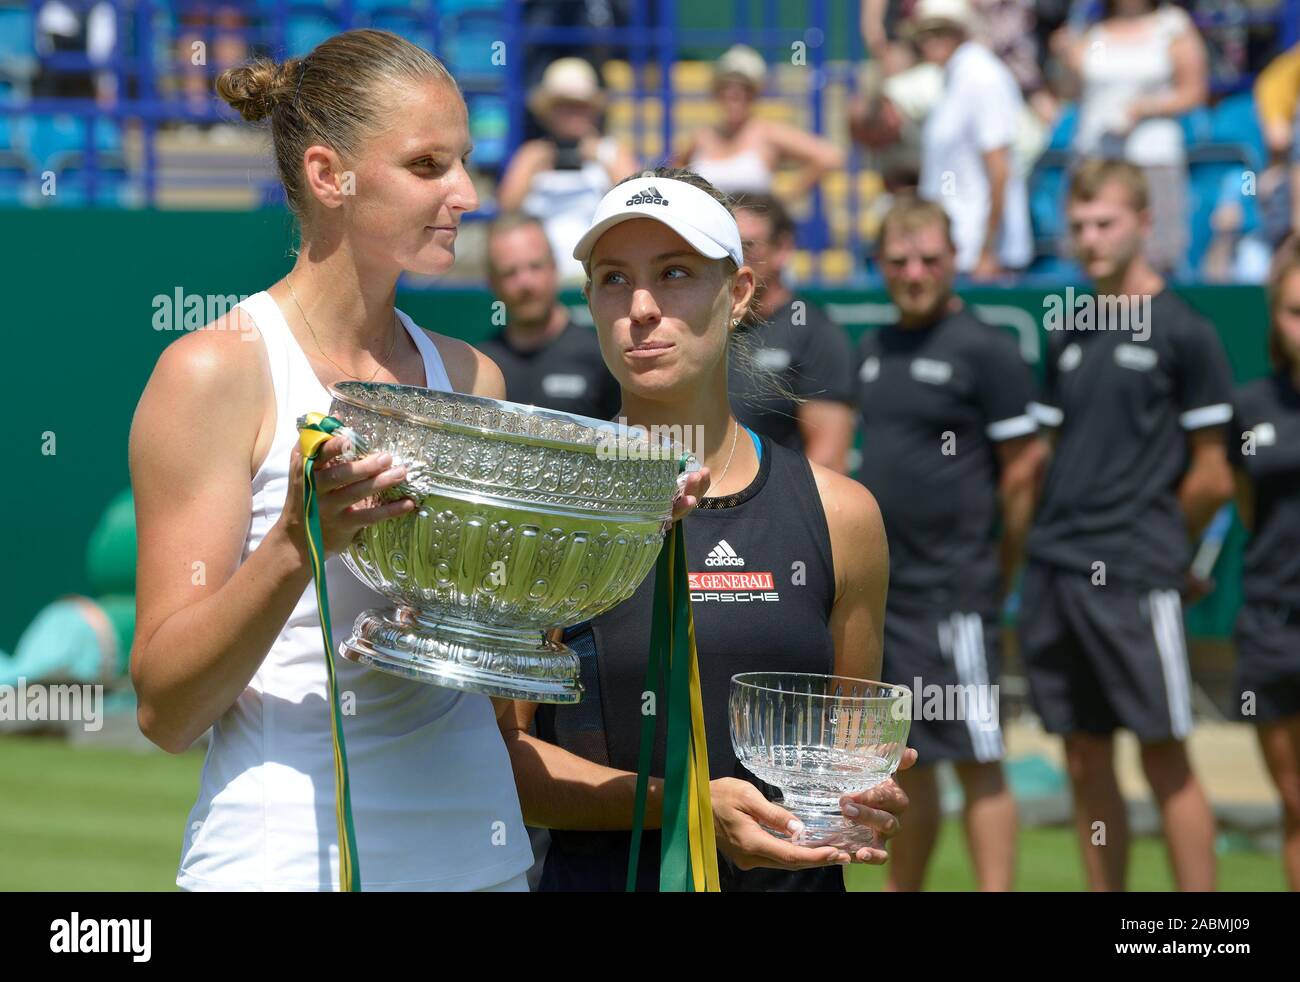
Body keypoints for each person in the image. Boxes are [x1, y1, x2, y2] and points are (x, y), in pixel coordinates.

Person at [129, 29, 538, 891]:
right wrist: (296, 543)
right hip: (278, 861)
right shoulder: (213, 370)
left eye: (464, 162)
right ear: (328, 176)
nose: (465, 193)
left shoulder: (474, 375)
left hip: (481, 856)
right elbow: (167, 710)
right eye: (427, 166)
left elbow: (501, 675)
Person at [499, 167, 912, 892]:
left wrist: (858, 801)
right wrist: (687, 808)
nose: (644, 307)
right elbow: (505, 762)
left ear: (741, 291)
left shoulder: (842, 515)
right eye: (614, 279)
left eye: (677, 272)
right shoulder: (546, 516)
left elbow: (848, 750)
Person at [1019, 158, 1235, 891]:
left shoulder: (1185, 331)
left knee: (1164, 752)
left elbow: (1214, 472)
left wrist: (1155, 541)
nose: (1089, 237)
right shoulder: (1071, 326)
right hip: (1057, 569)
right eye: (1078, 225)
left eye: (1105, 222)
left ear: (1144, 223)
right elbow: (1047, 459)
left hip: (1135, 574)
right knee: (1082, 756)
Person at [855, 196, 1044, 890]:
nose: (915, 273)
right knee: (908, 761)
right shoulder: (873, 349)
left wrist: (999, 563)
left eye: (929, 258)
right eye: (900, 260)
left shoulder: (986, 348)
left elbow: (1024, 467)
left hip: (954, 592)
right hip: (891, 595)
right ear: (880, 265)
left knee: (978, 755)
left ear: (954, 259)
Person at [1227, 236, 1300, 891]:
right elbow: (1247, 507)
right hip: (1275, 627)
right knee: (1296, 806)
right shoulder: (1253, 408)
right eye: (1294, 311)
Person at [1054, 0, 1209, 275]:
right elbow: (1068, 91)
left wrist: (1145, 108)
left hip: (1153, 158)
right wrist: (1064, 60)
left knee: (1157, 254)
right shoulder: (1090, 28)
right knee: (1088, 253)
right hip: (1094, 155)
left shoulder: (1173, 26)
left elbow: (1194, 91)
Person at [730, 193, 856, 471]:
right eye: (728, 248)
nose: (737, 260)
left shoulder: (814, 332)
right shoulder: (705, 327)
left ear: (783, 248)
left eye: (748, 246)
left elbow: (828, 461)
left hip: (771, 509)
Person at [911, 0, 1033, 279]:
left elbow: (999, 170)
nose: (929, 42)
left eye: (940, 32)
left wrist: (987, 251)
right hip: (960, 253)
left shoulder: (981, 77)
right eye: (925, 33)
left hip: (978, 260)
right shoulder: (957, 77)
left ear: (960, 32)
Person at [497, 57, 640, 284]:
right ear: (549, 111)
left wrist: (601, 157)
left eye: (579, 105)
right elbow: (507, 209)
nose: (573, 113)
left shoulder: (612, 152)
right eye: (564, 106)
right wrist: (534, 164)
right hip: (540, 278)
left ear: (593, 109)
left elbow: (636, 203)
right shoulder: (531, 154)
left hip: (599, 272)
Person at [478, 211, 621, 420]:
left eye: (535, 266)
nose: (525, 283)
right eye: (510, 272)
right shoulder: (483, 365)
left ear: (554, 267)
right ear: (492, 283)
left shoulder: (602, 357)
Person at [674, 45, 844, 200]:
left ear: (755, 93)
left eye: (744, 89)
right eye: (727, 88)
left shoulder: (767, 133)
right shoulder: (703, 136)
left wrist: (784, 200)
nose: (735, 96)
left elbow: (830, 156)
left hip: (753, 232)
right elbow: (674, 174)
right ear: (717, 92)